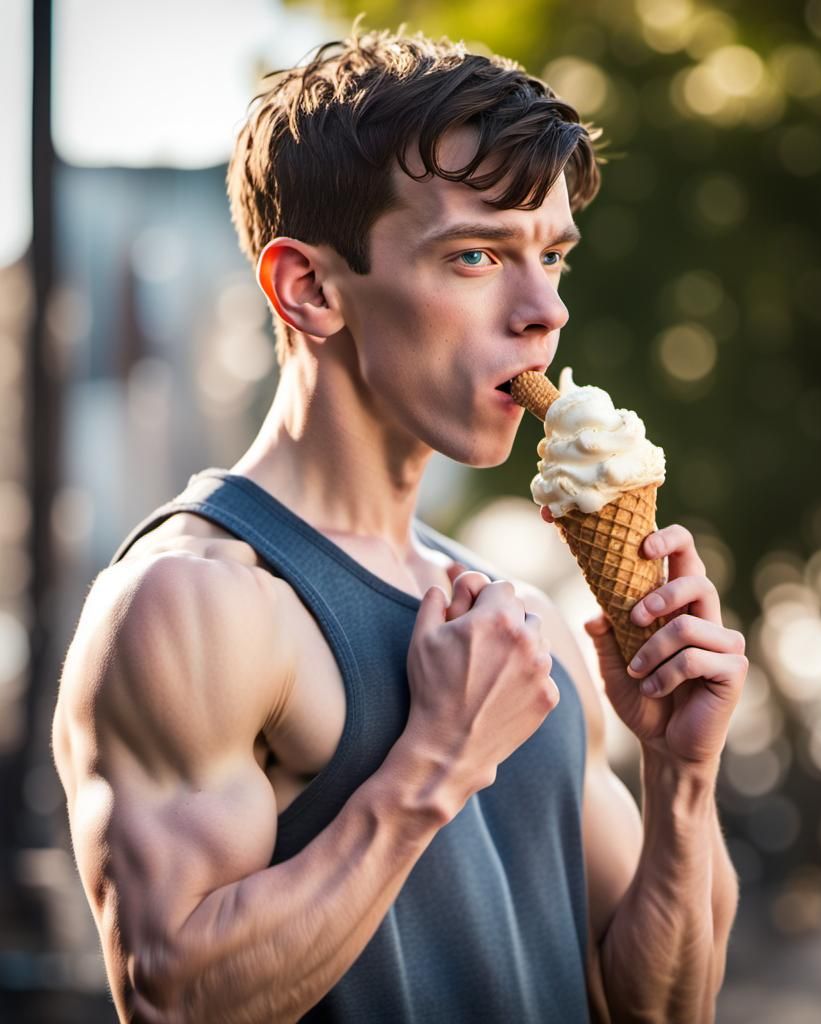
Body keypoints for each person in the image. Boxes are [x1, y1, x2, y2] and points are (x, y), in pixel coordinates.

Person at [51, 26, 747, 1024]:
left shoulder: (525, 625)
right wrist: (433, 764)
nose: (542, 309)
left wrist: (682, 775)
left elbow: (660, 1006)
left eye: (551, 257)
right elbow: (175, 1003)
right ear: (311, 289)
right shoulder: (191, 598)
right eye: (476, 254)